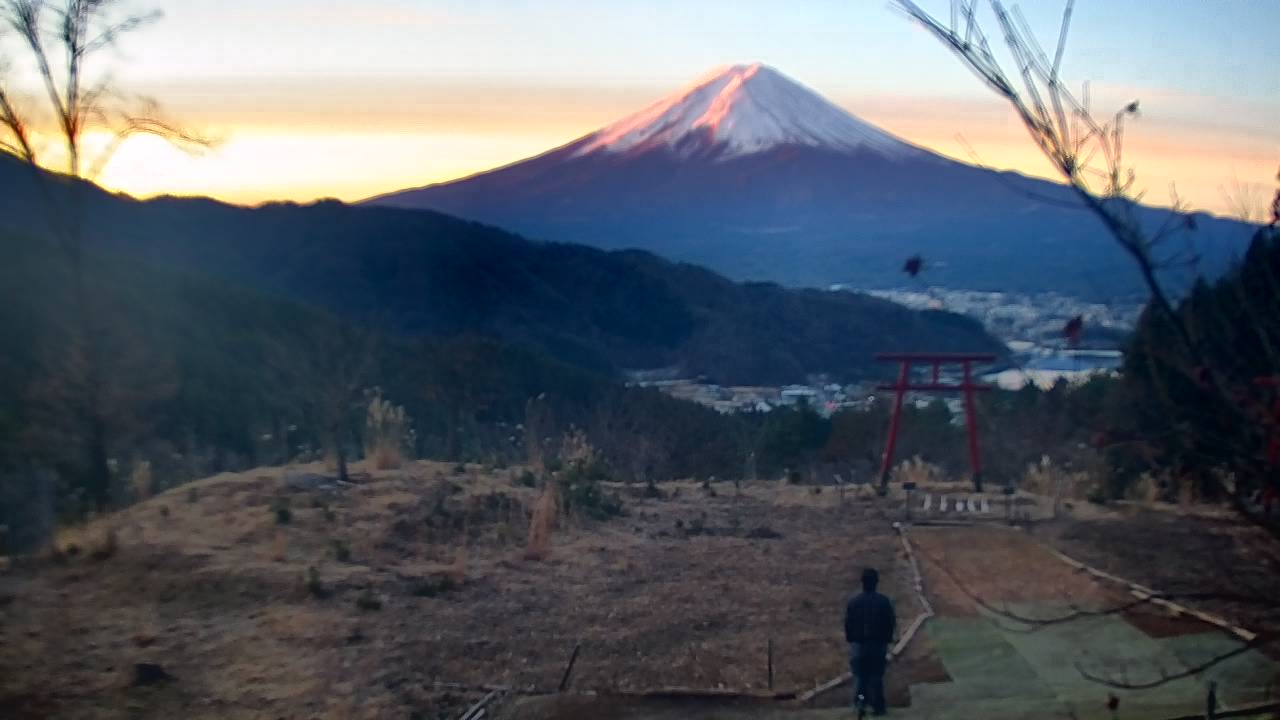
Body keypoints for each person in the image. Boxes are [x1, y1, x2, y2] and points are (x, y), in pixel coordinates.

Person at [845, 567, 896, 716]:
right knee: (876, 676)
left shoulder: (854, 602)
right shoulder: (883, 601)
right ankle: (877, 706)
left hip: (859, 645)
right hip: (877, 645)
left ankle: (861, 702)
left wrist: (851, 638)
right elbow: (890, 623)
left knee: (861, 677)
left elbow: (848, 623)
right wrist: (887, 639)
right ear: (876, 583)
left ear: (862, 583)